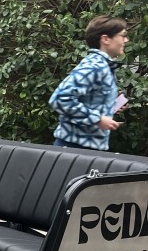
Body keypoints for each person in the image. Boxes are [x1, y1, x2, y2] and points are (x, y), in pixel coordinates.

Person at [49, 15, 129, 151]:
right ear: (105, 39)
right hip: (74, 150)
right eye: (122, 35)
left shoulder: (103, 66)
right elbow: (60, 99)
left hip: (83, 150)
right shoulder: (94, 66)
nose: (126, 40)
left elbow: (86, 103)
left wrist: (110, 106)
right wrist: (98, 119)